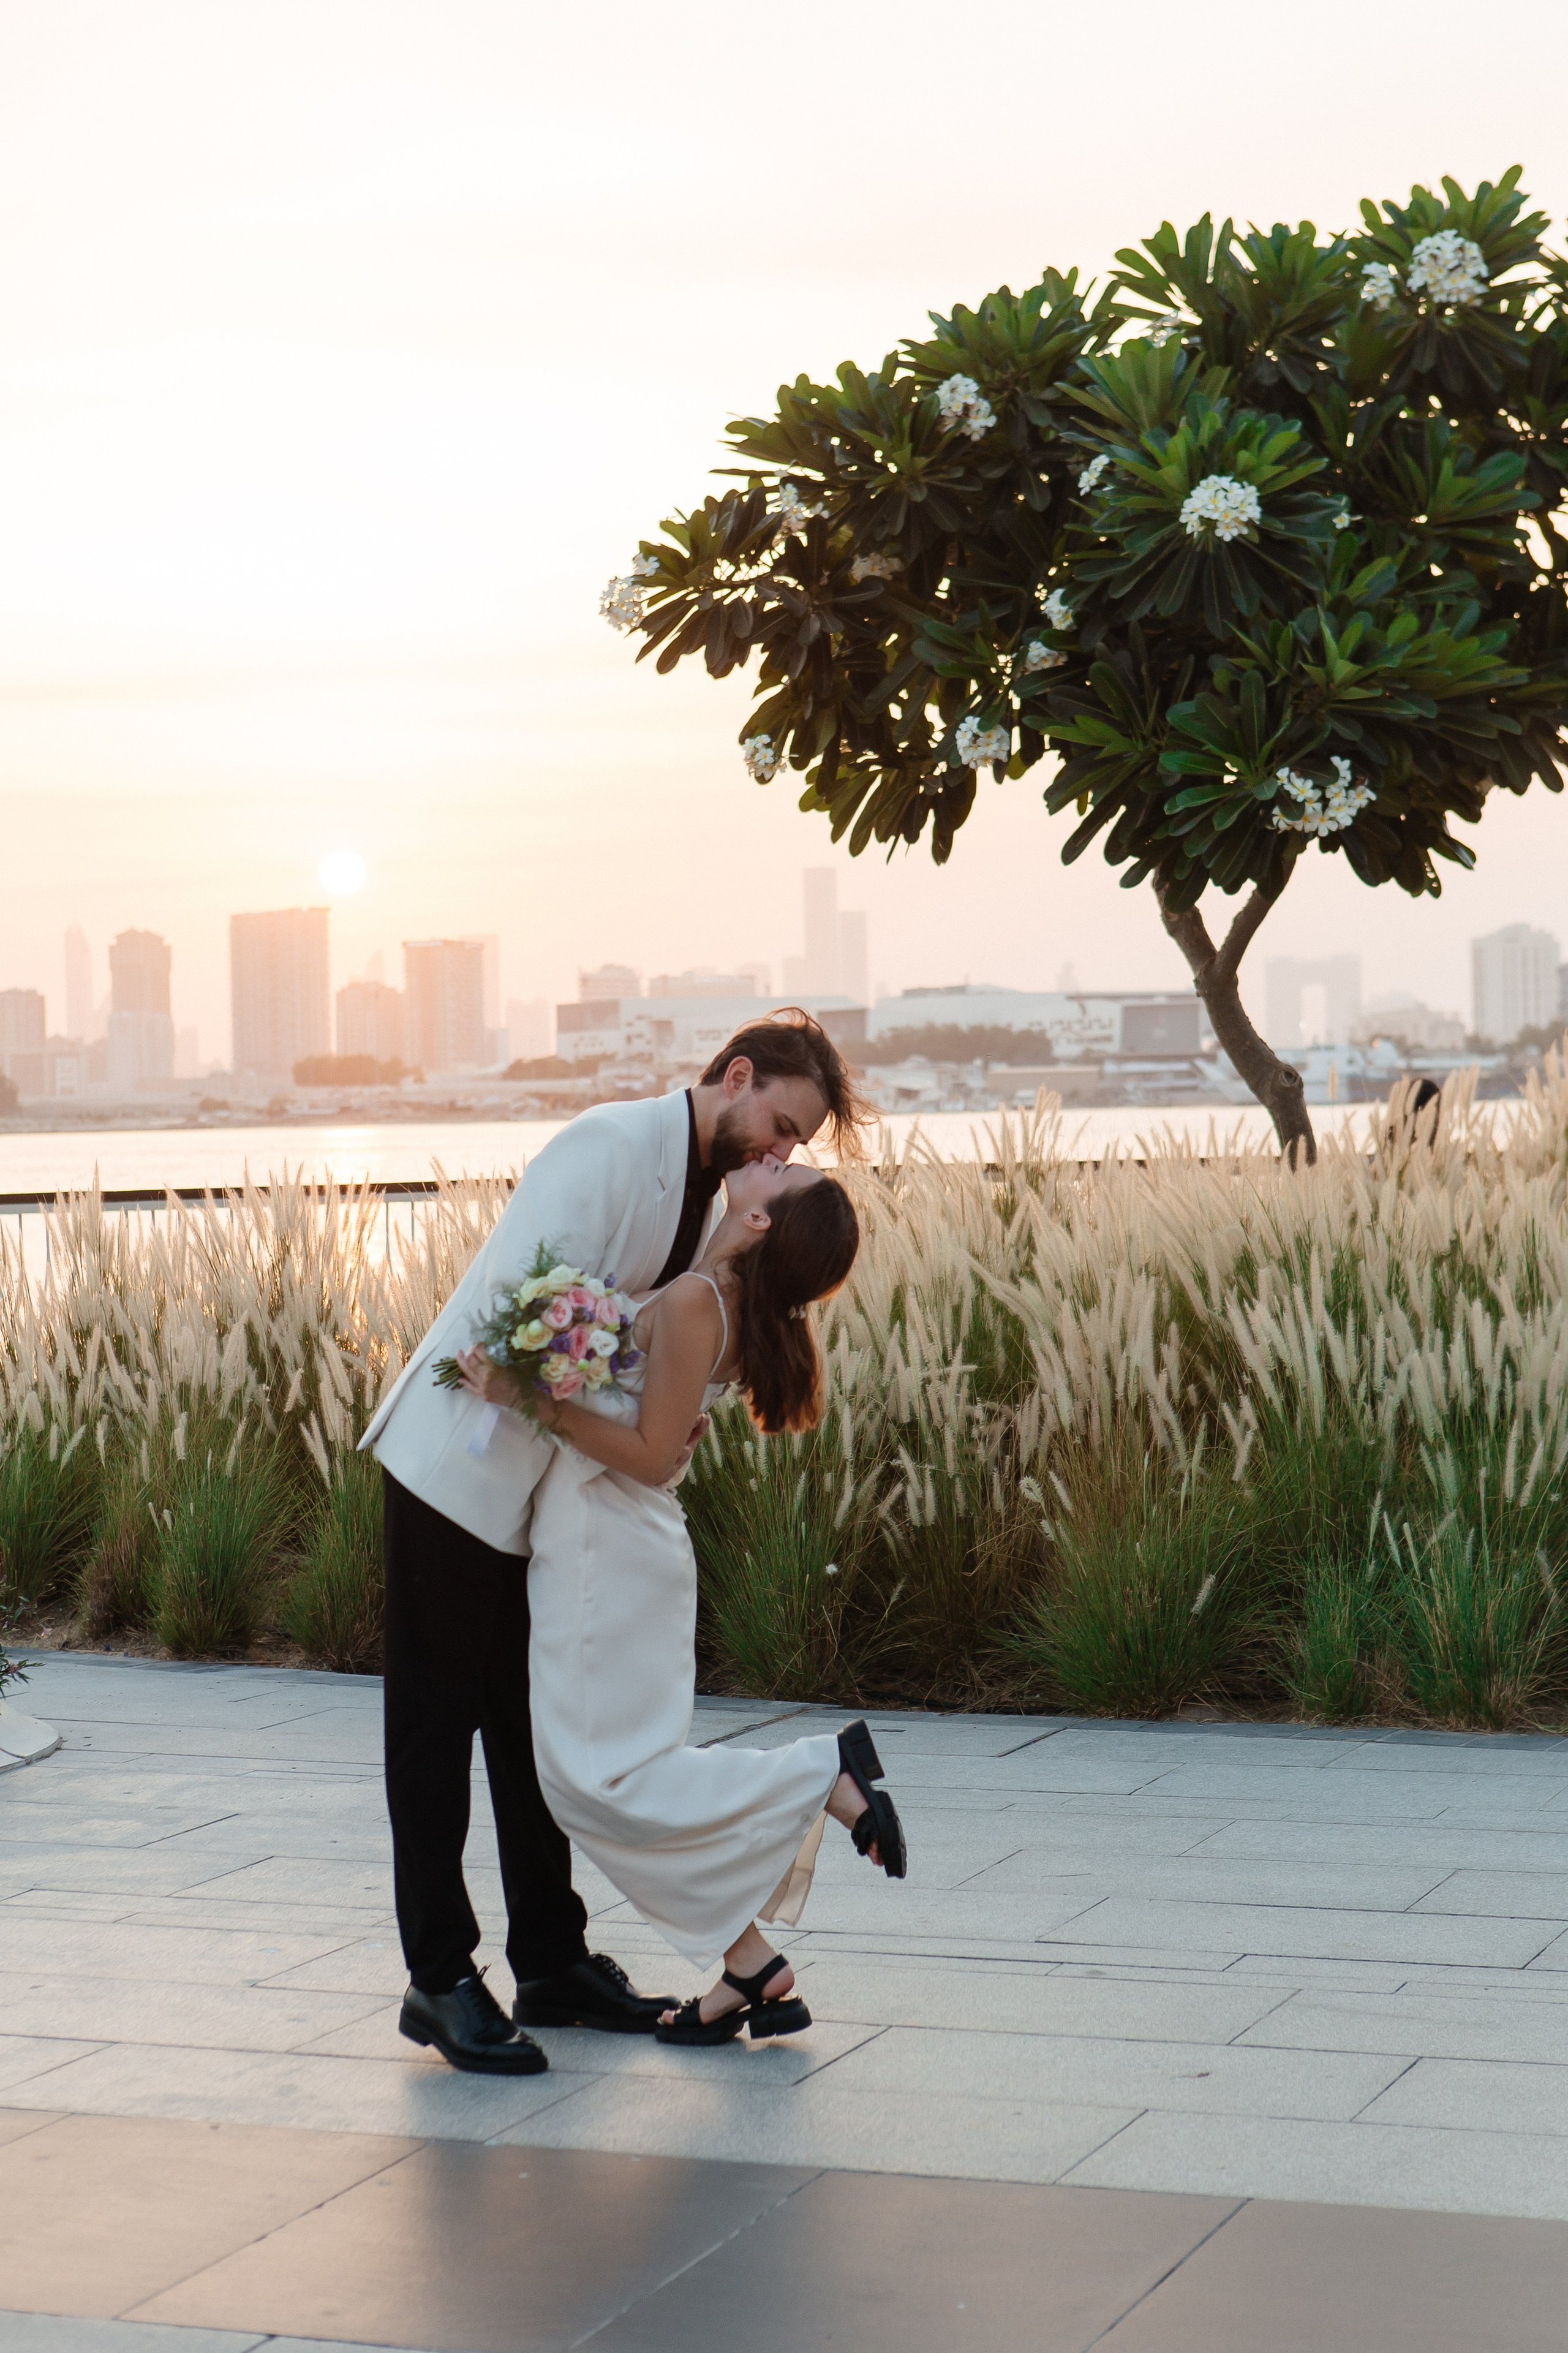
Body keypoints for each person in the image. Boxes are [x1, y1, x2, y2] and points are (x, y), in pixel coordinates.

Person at [360, 1010, 868, 2073]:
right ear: (736, 1076)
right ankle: (439, 1976)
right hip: (459, 1464)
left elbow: (631, 1324)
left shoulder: (718, 1201)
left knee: (527, 1731)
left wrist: (692, 1323)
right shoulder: (611, 1147)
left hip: (541, 1496)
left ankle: (551, 1960)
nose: (781, 1153)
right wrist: (653, 1390)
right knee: (434, 1733)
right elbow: (517, 1318)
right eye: (780, 1126)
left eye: (795, 1146)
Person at [458, 1152, 908, 2043]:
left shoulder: (707, 1301)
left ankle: (824, 1772)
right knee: (618, 1777)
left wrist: (524, 1397)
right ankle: (750, 1964)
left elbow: (658, 1451)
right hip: (619, 1543)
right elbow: (660, 1380)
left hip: (606, 1546)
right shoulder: (719, 1292)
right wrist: (720, 1240)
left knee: (594, 1783)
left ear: (767, 1223)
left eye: (784, 1172)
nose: (773, 1158)